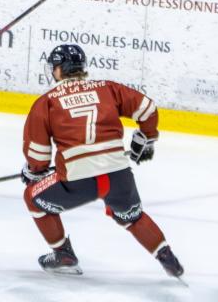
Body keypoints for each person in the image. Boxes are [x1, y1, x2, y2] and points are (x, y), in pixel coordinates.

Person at [21, 43, 184, 279]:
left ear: (57, 69)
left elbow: (38, 155)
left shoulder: (46, 102)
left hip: (78, 181)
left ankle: (63, 254)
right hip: (118, 174)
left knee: (32, 197)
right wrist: (146, 138)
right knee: (132, 217)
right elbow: (147, 109)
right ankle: (167, 257)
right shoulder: (107, 89)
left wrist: (33, 171)